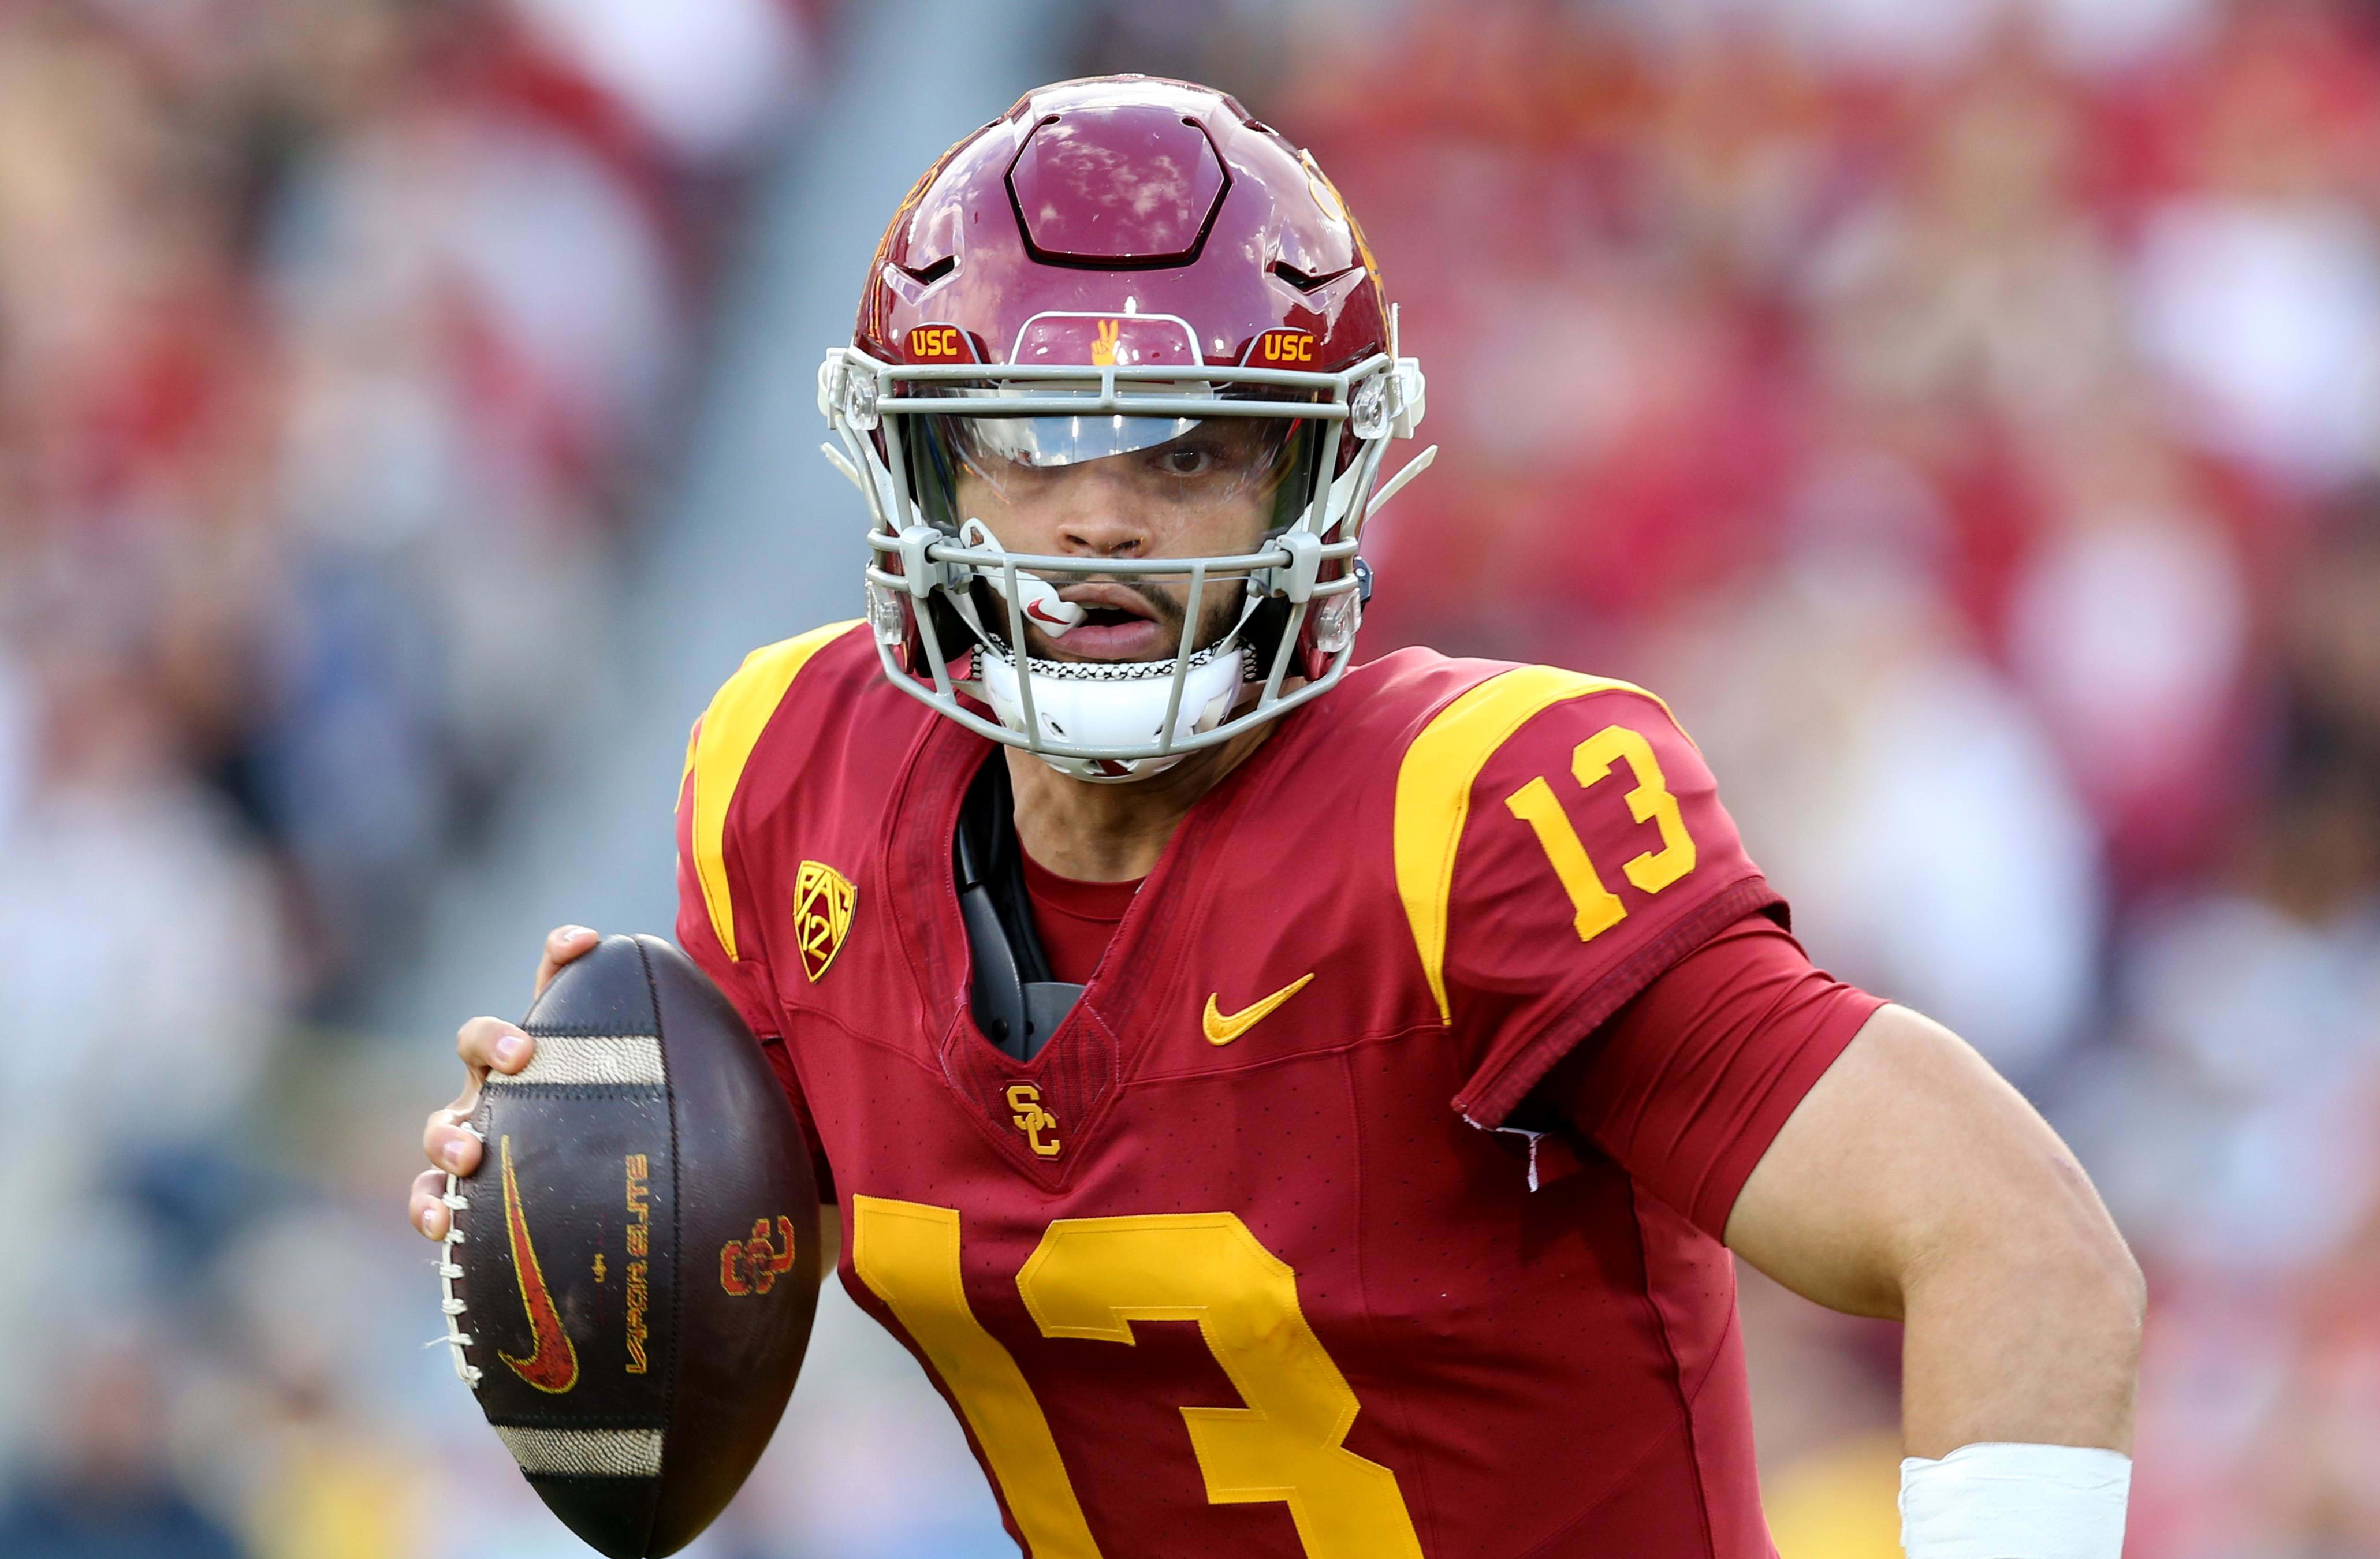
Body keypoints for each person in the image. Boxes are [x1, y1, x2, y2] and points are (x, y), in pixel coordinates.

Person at [409, 76, 2141, 1559]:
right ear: (923, 469)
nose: (1098, 519)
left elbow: (2013, 1240)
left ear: (1317, 474)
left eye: (1187, 451)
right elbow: (702, 1277)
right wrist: (562, 1192)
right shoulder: (789, 783)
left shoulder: (1469, 821)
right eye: (1029, 436)